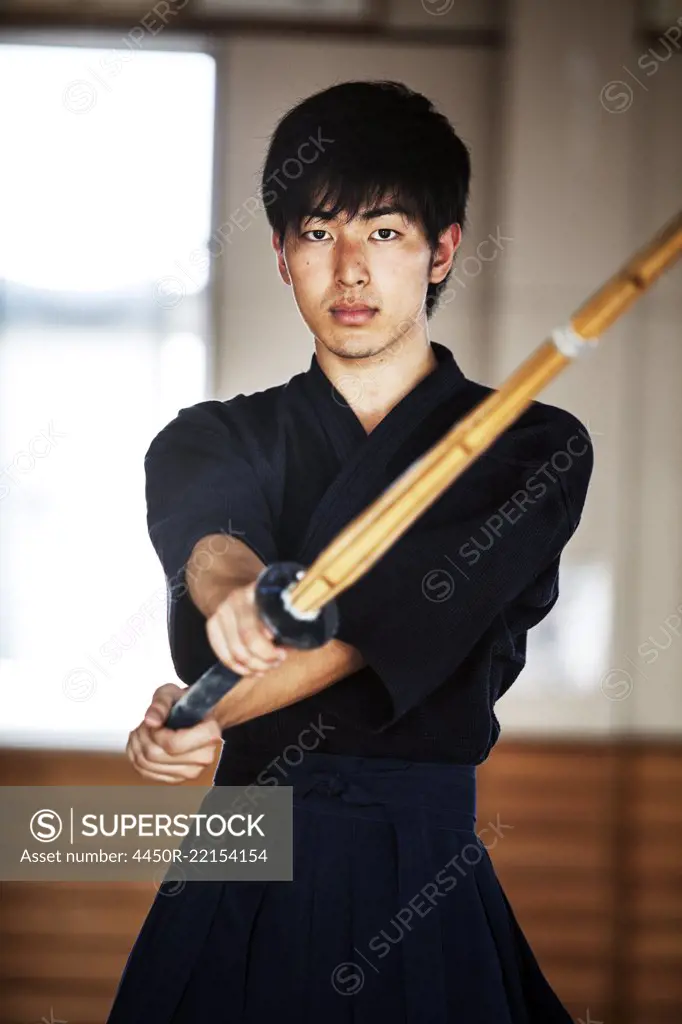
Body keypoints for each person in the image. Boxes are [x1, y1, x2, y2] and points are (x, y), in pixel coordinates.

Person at [107, 80, 593, 1023]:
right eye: (318, 233)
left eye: (383, 232)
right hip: (239, 854)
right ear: (284, 255)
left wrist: (215, 708)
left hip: (416, 862)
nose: (350, 272)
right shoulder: (208, 435)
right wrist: (239, 596)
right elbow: (210, 543)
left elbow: (390, 621)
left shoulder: (532, 447)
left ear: (442, 249)